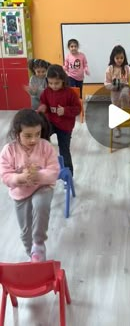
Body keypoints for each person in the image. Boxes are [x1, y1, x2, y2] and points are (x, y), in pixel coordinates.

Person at [0, 109, 59, 262]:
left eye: (37, 134)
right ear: (17, 133)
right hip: (20, 191)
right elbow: (5, 176)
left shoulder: (45, 147)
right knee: (25, 231)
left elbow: (54, 172)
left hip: (42, 187)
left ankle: (39, 244)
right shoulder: (9, 150)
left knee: (40, 205)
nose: (33, 140)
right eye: (27, 135)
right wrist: (19, 178)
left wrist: (39, 176)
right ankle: (31, 253)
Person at [38, 64, 81, 176]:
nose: (53, 86)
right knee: (42, 139)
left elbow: (78, 109)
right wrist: (43, 107)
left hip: (65, 127)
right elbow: (43, 102)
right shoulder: (47, 92)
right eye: (51, 83)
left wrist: (65, 111)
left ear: (63, 80)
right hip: (51, 123)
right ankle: (46, 166)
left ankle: (68, 175)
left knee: (64, 151)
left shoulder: (70, 93)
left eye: (56, 83)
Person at [104, 45, 130, 138]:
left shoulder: (127, 68)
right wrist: (113, 87)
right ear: (113, 58)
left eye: (122, 58)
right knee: (115, 109)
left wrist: (128, 86)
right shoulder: (110, 69)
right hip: (114, 91)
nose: (120, 60)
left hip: (125, 88)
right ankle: (117, 128)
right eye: (117, 58)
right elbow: (106, 83)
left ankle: (125, 113)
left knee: (124, 95)